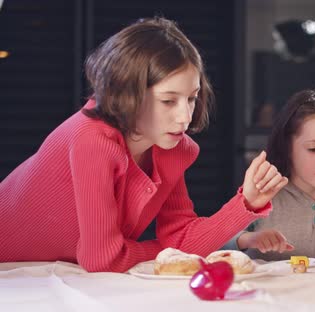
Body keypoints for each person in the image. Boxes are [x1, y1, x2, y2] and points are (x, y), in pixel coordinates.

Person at [0, 17, 288, 273]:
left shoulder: (173, 149)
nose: (185, 116)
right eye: (168, 101)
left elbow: (181, 237)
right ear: (128, 95)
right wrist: (167, 250)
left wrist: (247, 203)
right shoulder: (91, 139)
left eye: (192, 98)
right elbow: (102, 260)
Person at [224, 89, 315, 261]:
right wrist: (248, 239)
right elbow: (217, 241)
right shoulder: (262, 199)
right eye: (313, 149)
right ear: (287, 146)